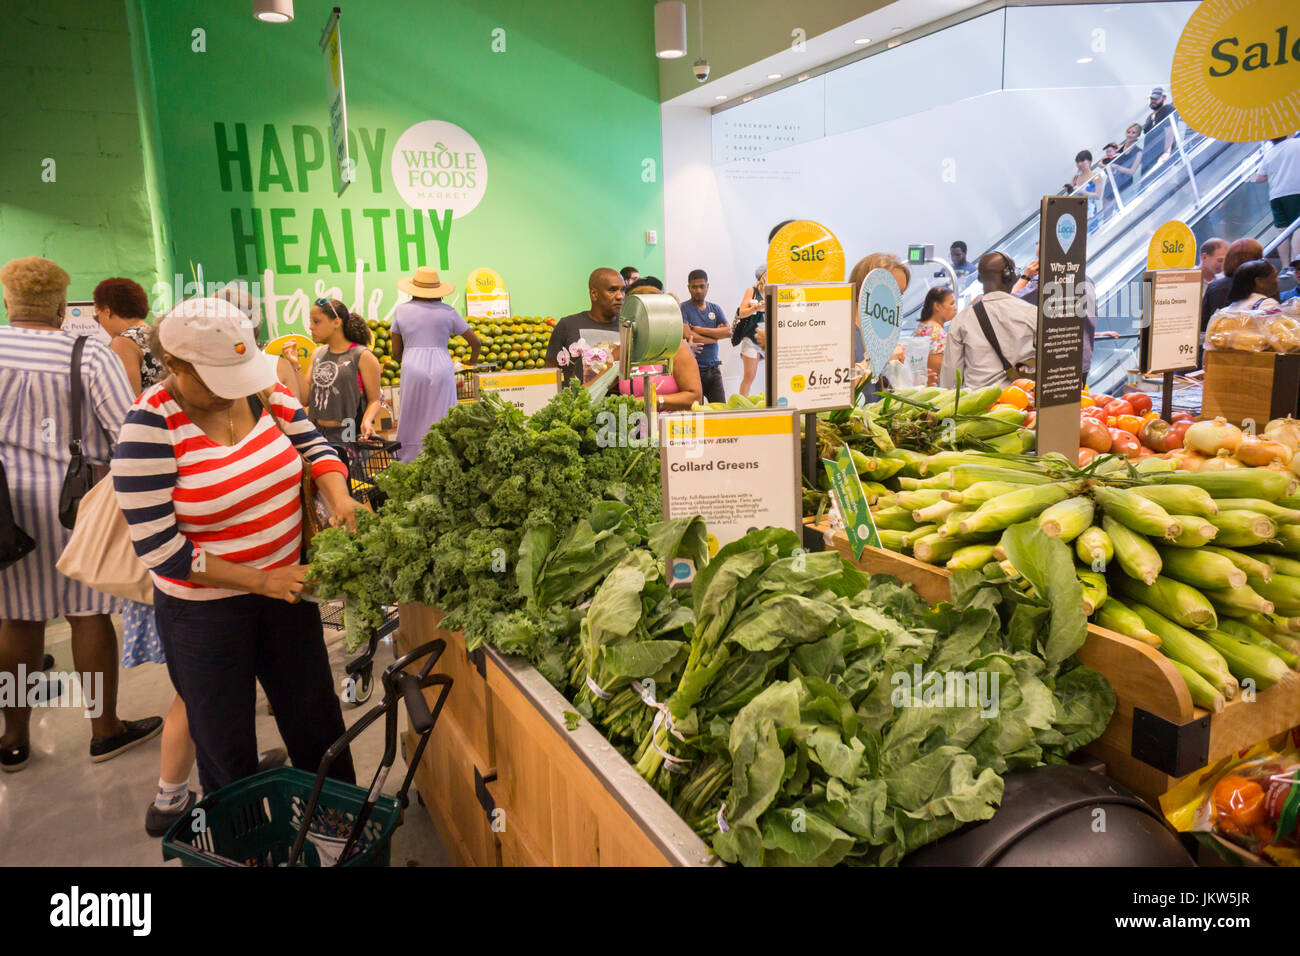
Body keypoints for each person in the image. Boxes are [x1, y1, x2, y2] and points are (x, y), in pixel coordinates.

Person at [112, 296, 359, 795]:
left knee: (316, 722)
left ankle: (336, 831)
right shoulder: (148, 428)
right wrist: (262, 580)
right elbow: (163, 550)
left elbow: (315, 448)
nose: (232, 391)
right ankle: (244, 846)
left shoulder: (263, 394)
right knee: (225, 744)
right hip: (205, 617)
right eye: (215, 378)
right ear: (176, 365)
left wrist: (341, 496)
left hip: (289, 594)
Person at [0, 256, 163, 773]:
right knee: (87, 612)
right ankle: (104, 728)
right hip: (77, 503)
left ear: (9, 301)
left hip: (5, 505)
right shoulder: (88, 352)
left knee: (15, 618)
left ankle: (13, 738)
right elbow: (127, 430)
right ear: (58, 306)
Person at [389, 268, 480, 464]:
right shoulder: (448, 312)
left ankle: (408, 461)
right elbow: (476, 343)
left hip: (412, 364)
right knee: (443, 415)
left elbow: (396, 351)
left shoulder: (401, 311)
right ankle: (443, 459)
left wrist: (408, 353)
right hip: (442, 365)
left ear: (413, 290)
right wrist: (471, 362)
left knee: (411, 415)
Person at [940, 251, 1038, 389]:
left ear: (980, 278)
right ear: (1008, 275)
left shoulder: (961, 320)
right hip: (1020, 403)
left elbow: (950, 379)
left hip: (978, 406)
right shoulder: (1032, 314)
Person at [618, 279, 704, 412]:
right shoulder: (626, 349)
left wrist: (652, 401)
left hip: (671, 429)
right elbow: (598, 384)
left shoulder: (676, 347)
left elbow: (695, 397)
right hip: (633, 429)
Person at [308, 297, 382, 446]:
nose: (311, 327)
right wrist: (294, 365)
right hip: (318, 435)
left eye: (316, 321)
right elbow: (304, 398)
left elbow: (375, 400)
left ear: (336, 322)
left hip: (351, 435)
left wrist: (367, 421)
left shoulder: (362, 356)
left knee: (351, 470)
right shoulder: (317, 354)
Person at [546, 268, 628, 387]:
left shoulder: (629, 327)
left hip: (622, 404)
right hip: (579, 403)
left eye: (623, 290)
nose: (620, 296)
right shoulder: (568, 325)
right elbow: (551, 372)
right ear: (594, 294)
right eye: (612, 290)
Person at [93, 277, 162, 396]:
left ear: (107, 311)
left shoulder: (123, 343)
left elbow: (126, 401)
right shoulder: (157, 334)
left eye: (97, 316)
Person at [847, 253, 911, 368]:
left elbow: (874, 383)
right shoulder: (843, 332)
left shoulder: (878, 334)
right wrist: (880, 359)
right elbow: (838, 383)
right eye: (889, 290)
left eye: (899, 294)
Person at [679, 269, 728, 403]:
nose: (698, 290)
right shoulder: (683, 308)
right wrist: (716, 336)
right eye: (694, 287)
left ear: (707, 286)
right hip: (693, 371)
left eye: (702, 286)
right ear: (689, 288)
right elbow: (688, 335)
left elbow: (728, 332)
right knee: (697, 414)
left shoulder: (715, 308)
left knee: (721, 412)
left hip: (714, 370)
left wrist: (699, 330)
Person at [1254, 134, 1300, 277]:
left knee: (1282, 230)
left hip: (1276, 195)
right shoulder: (1297, 144)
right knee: (1298, 226)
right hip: (1296, 190)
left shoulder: (1269, 153)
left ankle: (1285, 267)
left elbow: (1259, 178)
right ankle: (1296, 264)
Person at [1202, 238, 1264, 333]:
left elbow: (1205, 324)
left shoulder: (1217, 285)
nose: (1222, 264)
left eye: (1224, 260)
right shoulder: (1263, 285)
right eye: (1219, 260)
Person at [733, 267, 767, 397]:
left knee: (774, 376)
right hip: (752, 339)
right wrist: (755, 308)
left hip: (769, 339)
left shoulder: (774, 291)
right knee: (750, 376)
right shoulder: (752, 291)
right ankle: (743, 405)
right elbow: (741, 313)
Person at [915, 287, 957, 385]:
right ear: (937, 306)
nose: (955, 307)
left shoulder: (923, 326)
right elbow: (938, 368)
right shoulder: (936, 332)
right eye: (951, 304)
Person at [1140, 87, 1176, 180]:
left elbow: (1170, 129)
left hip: (1161, 155)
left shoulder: (1167, 109)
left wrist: (1167, 151)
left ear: (1163, 98)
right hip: (1148, 158)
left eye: (1156, 98)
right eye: (1151, 98)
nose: (1153, 101)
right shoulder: (1149, 118)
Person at [1109, 123, 1143, 197]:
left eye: (1133, 133)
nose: (1130, 134)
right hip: (1112, 182)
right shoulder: (1118, 148)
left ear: (1138, 135)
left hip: (1124, 183)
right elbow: (1103, 162)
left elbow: (1132, 171)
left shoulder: (1138, 152)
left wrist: (1117, 167)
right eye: (1128, 132)